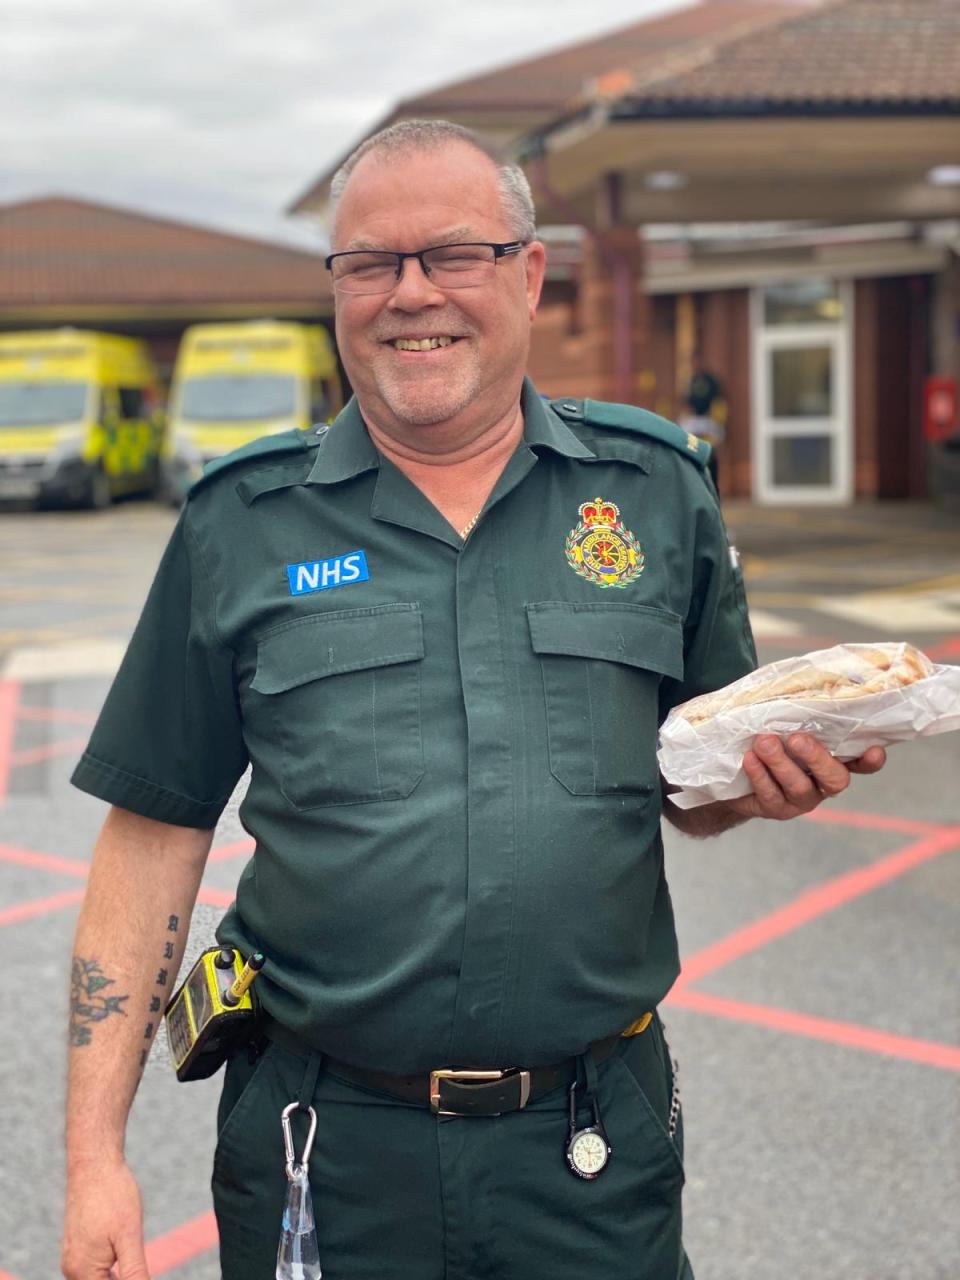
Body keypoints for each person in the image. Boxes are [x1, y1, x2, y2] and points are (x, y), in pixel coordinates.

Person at [61, 120, 886, 1280]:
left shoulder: (653, 495)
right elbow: (153, 831)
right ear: (336, 289)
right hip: (321, 1151)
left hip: (591, 1147)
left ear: (530, 273)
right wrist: (94, 1154)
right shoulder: (241, 525)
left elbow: (697, 777)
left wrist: (766, 786)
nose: (412, 294)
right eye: (370, 263)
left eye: (454, 254)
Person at [680, 353, 726, 491]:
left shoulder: (710, 380)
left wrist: (715, 416)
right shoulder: (691, 381)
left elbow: (719, 401)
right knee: (682, 432)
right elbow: (686, 402)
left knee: (714, 438)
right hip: (695, 420)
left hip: (709, 419)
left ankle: (708, 461)